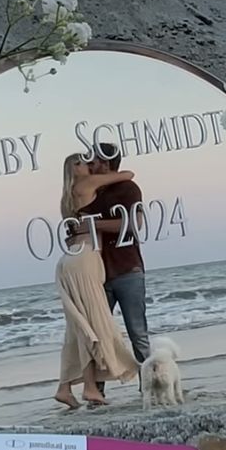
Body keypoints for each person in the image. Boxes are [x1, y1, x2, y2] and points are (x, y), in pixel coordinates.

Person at [54, 153, 138, 409]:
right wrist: (102, 174)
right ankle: (90, 387)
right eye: (81, 162)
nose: (89, 165)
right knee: (94, 324)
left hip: (70, 260)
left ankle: (66, 387)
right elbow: (127, 175)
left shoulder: (67, 195)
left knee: (79, 328)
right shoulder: (85, 185)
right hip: (85, 260)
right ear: (73, 170)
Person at [86, 143, 151, 391]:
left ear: (106, 163)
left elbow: (134, 225)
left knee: (138, 333)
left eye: (94, 160)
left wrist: (96, 225)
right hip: (98, 274)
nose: (91, 165)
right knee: (98, 335)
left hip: (128, 270)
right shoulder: (90, 193)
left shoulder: (127, 189)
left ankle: (149, 387)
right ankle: (97, 393)